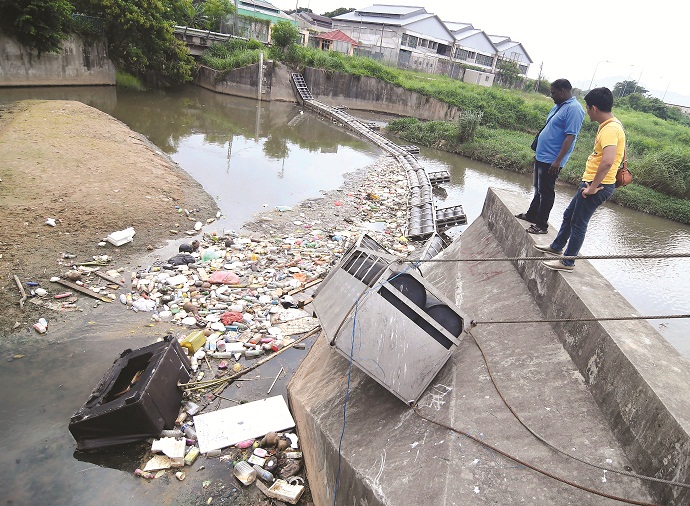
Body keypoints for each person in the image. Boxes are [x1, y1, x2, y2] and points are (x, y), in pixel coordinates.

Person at [534, 87, 625, 272]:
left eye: (587, 107)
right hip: (592, 182)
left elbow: (607, 161)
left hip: (597, 185)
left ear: (594, 108)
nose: (587, 110)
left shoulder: (610, 129)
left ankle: (568, 262)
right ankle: (557, 247)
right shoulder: (610, 126)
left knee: (578, 223)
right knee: (569, 215)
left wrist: (592, 187)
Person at [516, 79, 585, 234]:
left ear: (563, 91)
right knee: (538, 188)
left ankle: (541, 225)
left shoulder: (574, 109)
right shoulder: (559, 106)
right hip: (543, 155)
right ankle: (532, 215)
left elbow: (570, 137)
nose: (551, 95)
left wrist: (558, 160)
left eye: (553, 92)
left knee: (546, 191)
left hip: (553, 159)